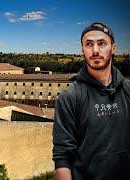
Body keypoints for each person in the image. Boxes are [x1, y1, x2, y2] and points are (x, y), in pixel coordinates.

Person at [52, 22, 130, 180]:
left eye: (102, 43)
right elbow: (62, 158)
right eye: (89, 44)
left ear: (113, 48)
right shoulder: (69, 98)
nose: (95, 50)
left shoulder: (128, 90)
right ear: (82, 50)